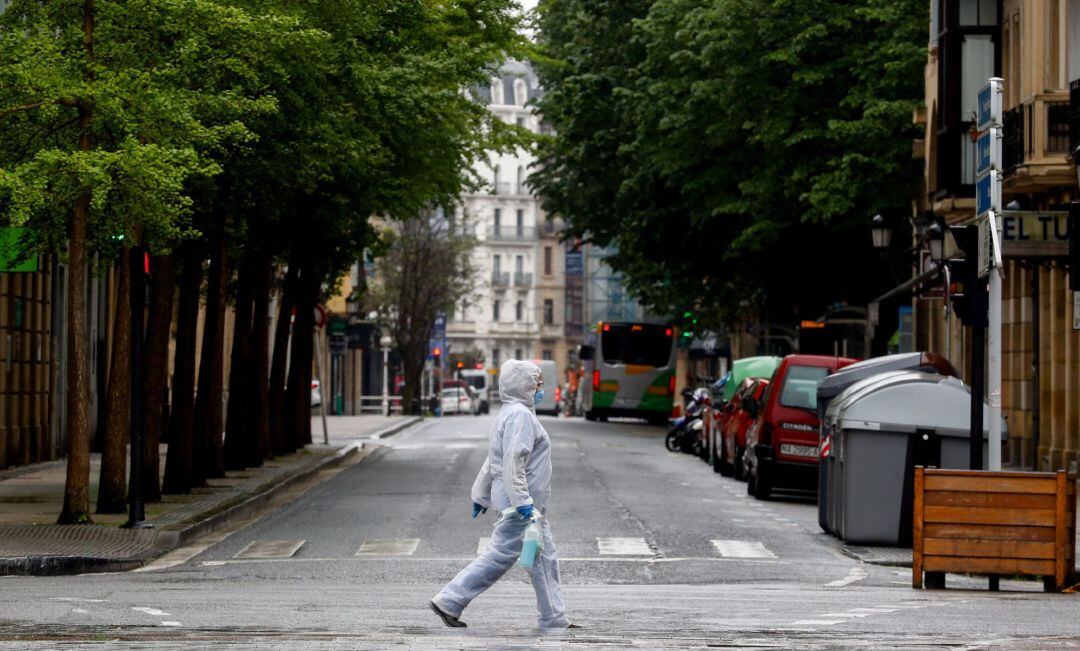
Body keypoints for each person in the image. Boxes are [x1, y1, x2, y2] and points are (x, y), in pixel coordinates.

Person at [430, 359, 576, 630]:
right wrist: (523, 503)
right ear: (523, 385)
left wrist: (481, 494)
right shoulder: (519, 415)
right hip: (521, 506)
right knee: (500, 556)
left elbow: (493, 460)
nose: (540, 388)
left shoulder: (512, 413)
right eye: (536, 383)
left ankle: (554, 617)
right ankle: (449, 600)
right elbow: (512, 461)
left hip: (525, 505)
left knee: (542, 558)